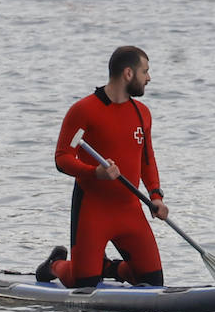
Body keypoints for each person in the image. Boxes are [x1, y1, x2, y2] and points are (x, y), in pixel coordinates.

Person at [35, 46, 170, 288]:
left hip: (129, 209)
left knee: (153, 283)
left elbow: (146, 160)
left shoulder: (142, 113)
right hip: (93, 210)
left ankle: (109, 267)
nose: (149, 78)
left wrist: (156, 196)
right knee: (83, 284)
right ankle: (54, 265)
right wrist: (94, 172)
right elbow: (62, 158)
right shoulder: (84, 110)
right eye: (145, 72)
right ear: (128, 73)